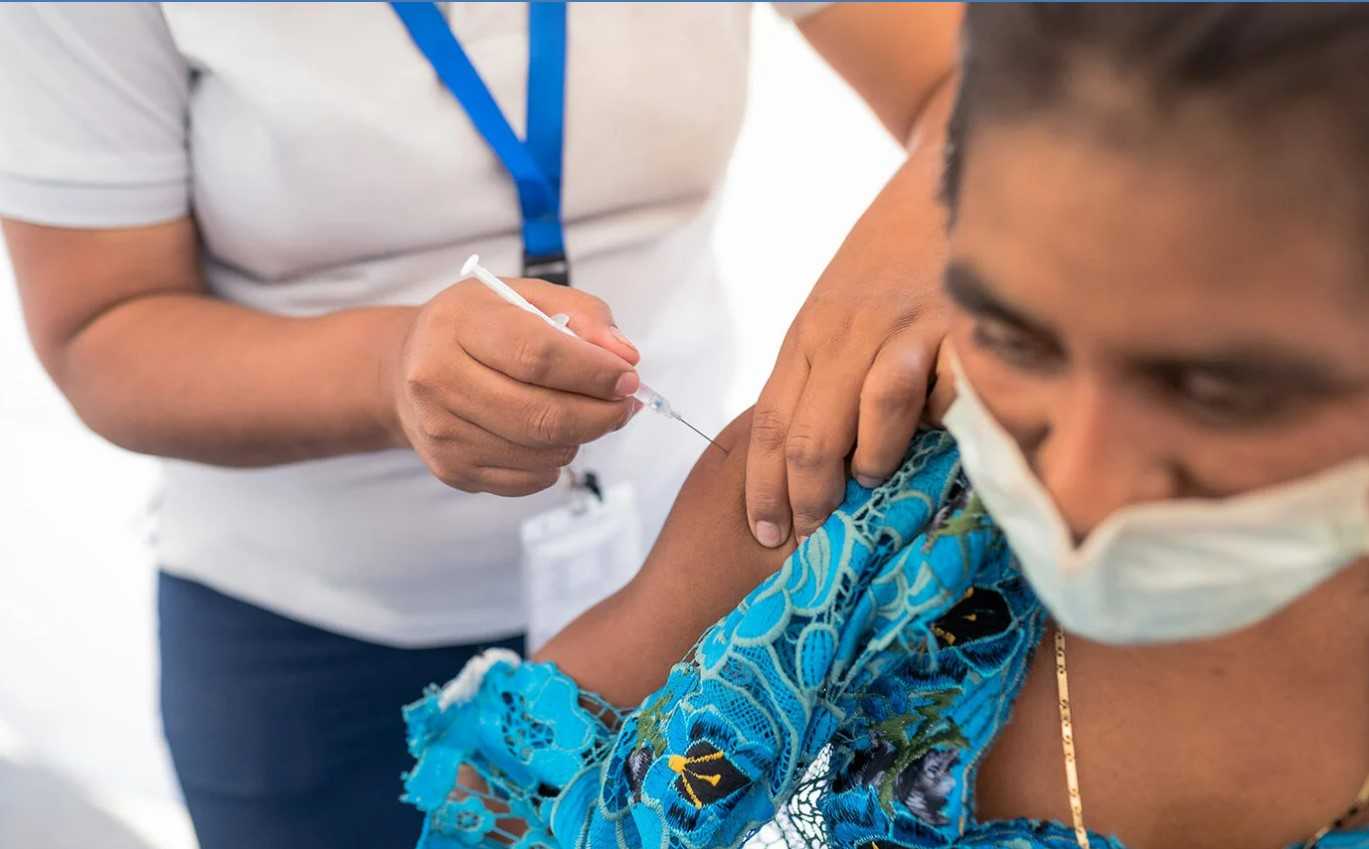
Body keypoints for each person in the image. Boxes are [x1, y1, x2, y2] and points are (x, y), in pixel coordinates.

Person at [401, 6, 1369, 849]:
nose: (1071, 484)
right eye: (1014, 338)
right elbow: (506, 797)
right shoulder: (855, 503)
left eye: (1213, 389)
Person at [0, 4, 960, 846]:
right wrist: (387, 371)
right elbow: (98, 328)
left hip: (683, 595)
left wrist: (881, 279)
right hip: (313, 640)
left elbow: (976, 83)